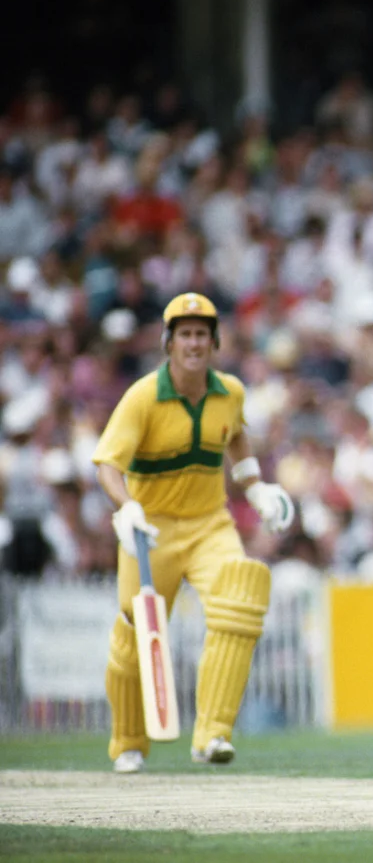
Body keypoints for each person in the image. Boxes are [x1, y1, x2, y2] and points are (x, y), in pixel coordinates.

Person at [92, 292, 295, 774]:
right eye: (185, 334)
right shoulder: (143, 396)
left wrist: (256, 487)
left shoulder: (230, 392)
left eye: (202, 334)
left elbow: (238, 438)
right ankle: (128, 741)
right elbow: (107, 464)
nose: (194, 343)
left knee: (241, 594)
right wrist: (128, 509)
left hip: (210, 525)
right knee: (134, 633)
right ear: (169, 342)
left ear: (214, 341)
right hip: (151, 531)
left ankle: (212, 735)